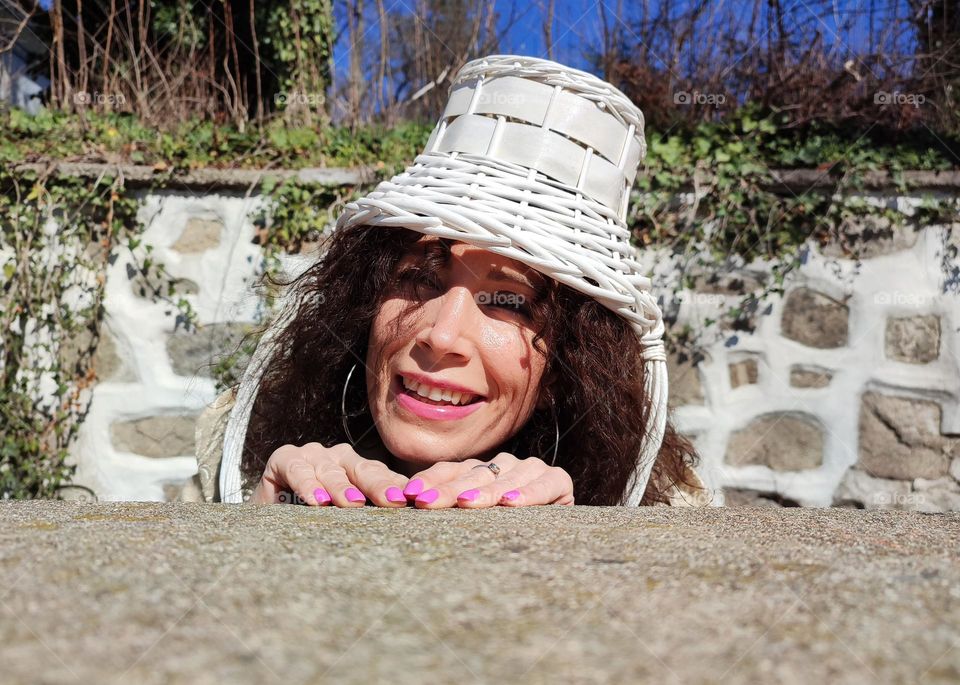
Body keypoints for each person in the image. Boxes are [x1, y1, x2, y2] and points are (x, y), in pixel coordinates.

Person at [179, 54, 710, 508]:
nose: (441, 335)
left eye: (508, 301)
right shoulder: (234, 448)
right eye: (416, 278)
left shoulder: (670, 507)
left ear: (564, 371)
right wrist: (261, 519)